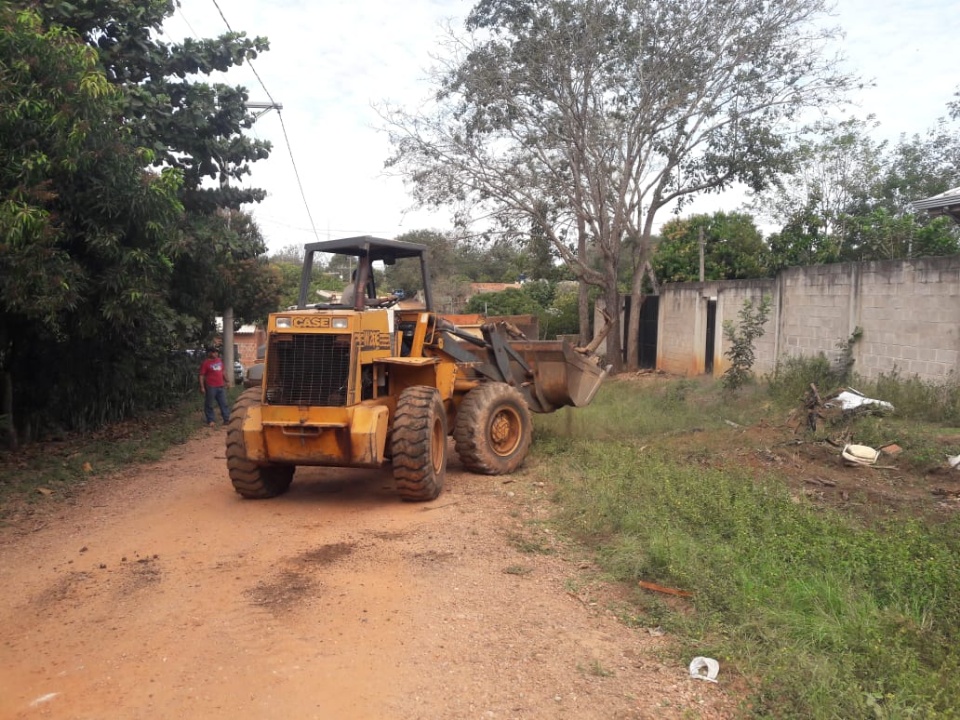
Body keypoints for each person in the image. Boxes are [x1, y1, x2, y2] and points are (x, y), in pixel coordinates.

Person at [199, 346, 230, 427]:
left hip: (221, 386)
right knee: (209, 404)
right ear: (209, 353)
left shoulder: (219, 360)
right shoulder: (205, 363)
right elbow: (201, 376)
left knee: (224, 403)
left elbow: (223, 371)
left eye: (216, 352)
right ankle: (210, 420)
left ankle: (226, 419)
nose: (215, 353)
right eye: (213, 352)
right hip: (211, 387)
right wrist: (202, 387)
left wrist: (227, 381)